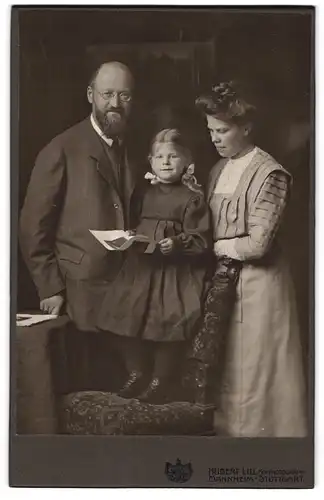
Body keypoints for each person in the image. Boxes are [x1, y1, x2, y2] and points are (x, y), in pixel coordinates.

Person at [195, 81, 307, 437]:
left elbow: (258, 244)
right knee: (229, 369)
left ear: (246, 127)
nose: (215, 138)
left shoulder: (270, 174)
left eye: (222, 130)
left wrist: (216, 248)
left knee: (255, 370)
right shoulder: (217, 169)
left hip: (261, 288)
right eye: (211, 130)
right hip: (225, 287)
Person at [19, 61, 140, 333]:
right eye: (107, 94)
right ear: (90, 96)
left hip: (129, 288)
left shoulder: (135, 148)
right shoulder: (61, 149)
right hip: (79, 292)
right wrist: (50, 288)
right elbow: (32, 228)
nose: (115, 103)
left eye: (125, 95)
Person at [97, 128, 211, 404]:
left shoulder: (192, 197)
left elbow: (201, 239)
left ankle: (161, 380)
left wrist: (178, 243)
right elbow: (136, 224)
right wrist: (128, 238)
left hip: (173, 274)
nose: (166, 162)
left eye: (173, 156)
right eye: (159, 156)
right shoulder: (143, 192)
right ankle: (137, 372)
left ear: (187, 162)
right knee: (123, 315)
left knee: (166, 324)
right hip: (141, 269)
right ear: (150, 161)